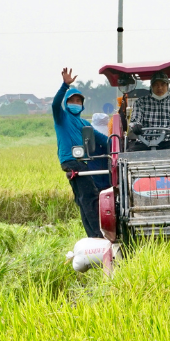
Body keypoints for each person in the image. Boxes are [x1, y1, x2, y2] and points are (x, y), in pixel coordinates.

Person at [53, 68, 102, 238]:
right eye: (72, 100)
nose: (75, 103)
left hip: (80, 162)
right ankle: (98, 234)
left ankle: (92, 235)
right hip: (72, 161)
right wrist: (65, 86)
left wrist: (117, 142)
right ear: (66, 103)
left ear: (82, 105)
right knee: (91, 196)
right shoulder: (61, 118)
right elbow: (54, 104)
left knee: (83, 199)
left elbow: (101, 138)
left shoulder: (83, 123)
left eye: (78, 101)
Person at [127, 72, 170, 148]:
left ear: (167, 86)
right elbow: (134, 120)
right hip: (145, 141)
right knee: (133, 157)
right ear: (151, 86)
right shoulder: (140, 102)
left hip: (169, 141)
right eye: (156, 84)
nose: (159, 88)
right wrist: (136, 125)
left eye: (162, 84)